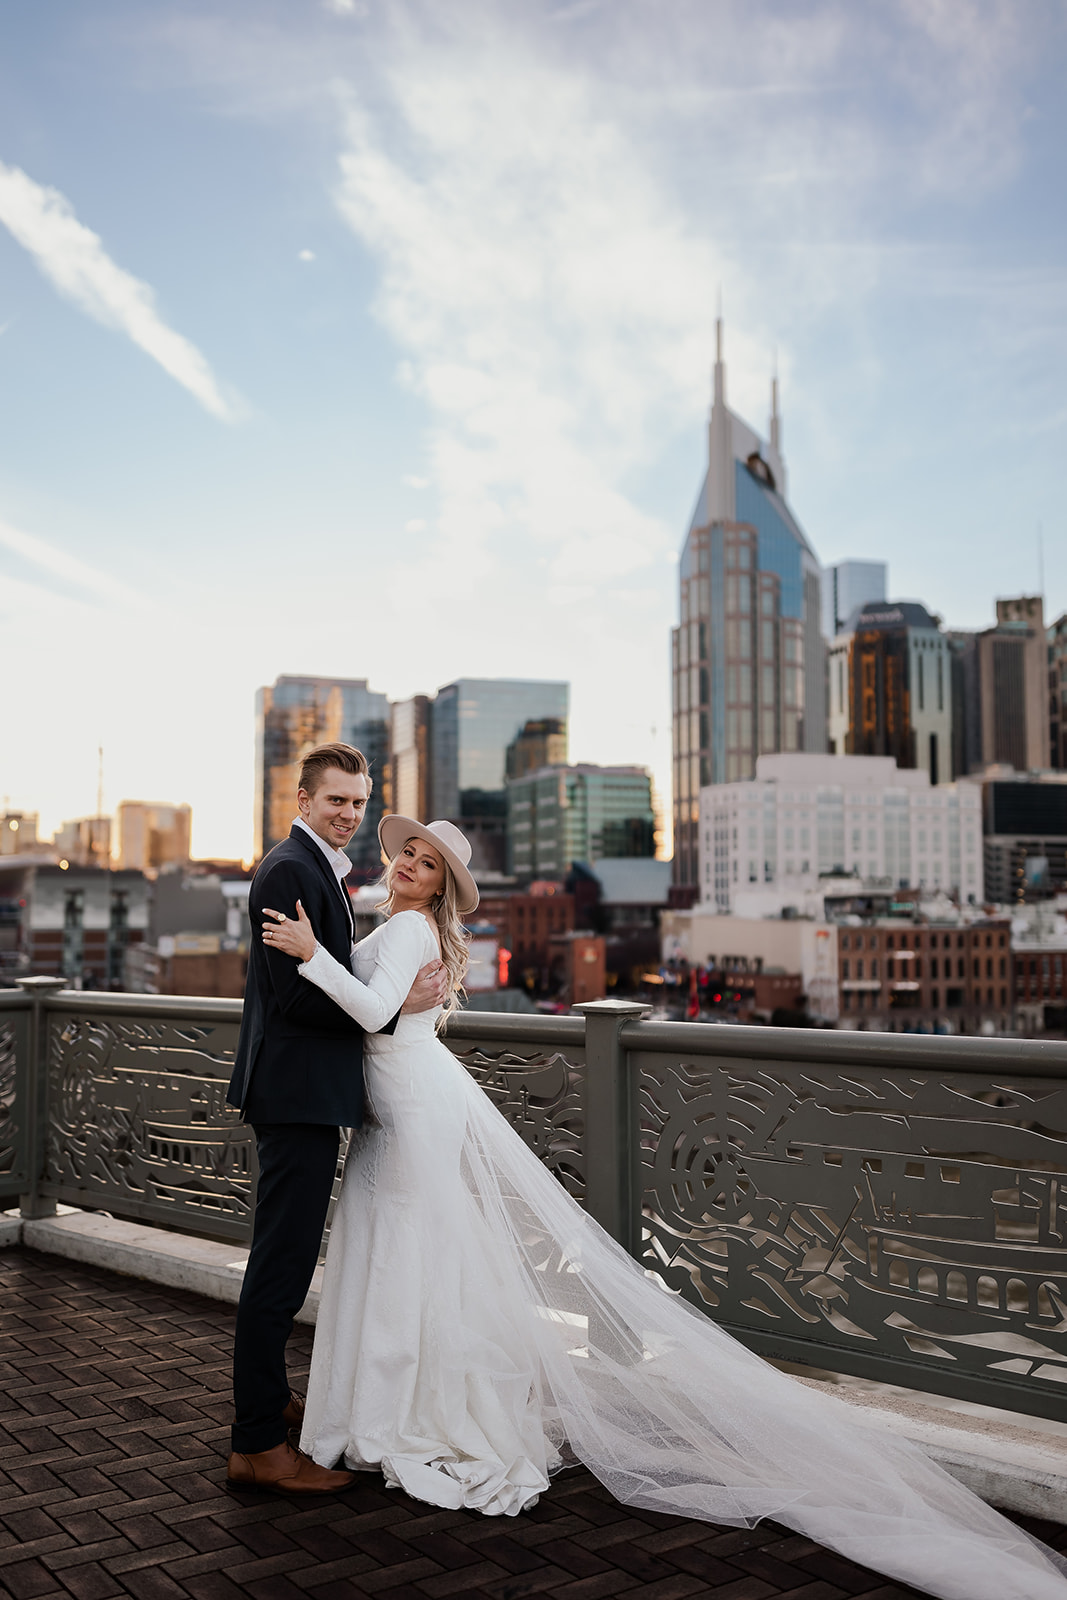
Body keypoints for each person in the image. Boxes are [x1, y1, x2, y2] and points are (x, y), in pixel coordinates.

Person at [261, 813, 1067, 1600]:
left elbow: (366, 1009)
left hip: (408, 1103)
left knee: (408, 1248)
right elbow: (378, 990)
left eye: (425, 863)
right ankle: (402, 1401)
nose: (406, 864)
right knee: (419, 1248)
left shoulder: (407, 931)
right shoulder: (395, 922)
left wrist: (307, 953)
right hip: (410, 1097)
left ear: (442, 887)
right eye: (405, 852)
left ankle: (398, 1410)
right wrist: (336, 938)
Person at [225, 745, 447, 1494]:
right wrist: (389, 1012)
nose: (348, 814)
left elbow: (326, 979)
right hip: (295, 1093)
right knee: (279, 1268)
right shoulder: (291, 869)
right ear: (304, 797)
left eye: (358, 802)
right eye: (336, 801)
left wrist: (376, 994)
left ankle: (269, 1404)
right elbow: (296, 998)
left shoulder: (312, 867)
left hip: (304, 1091)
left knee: (283, 1261)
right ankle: (256, 1443)